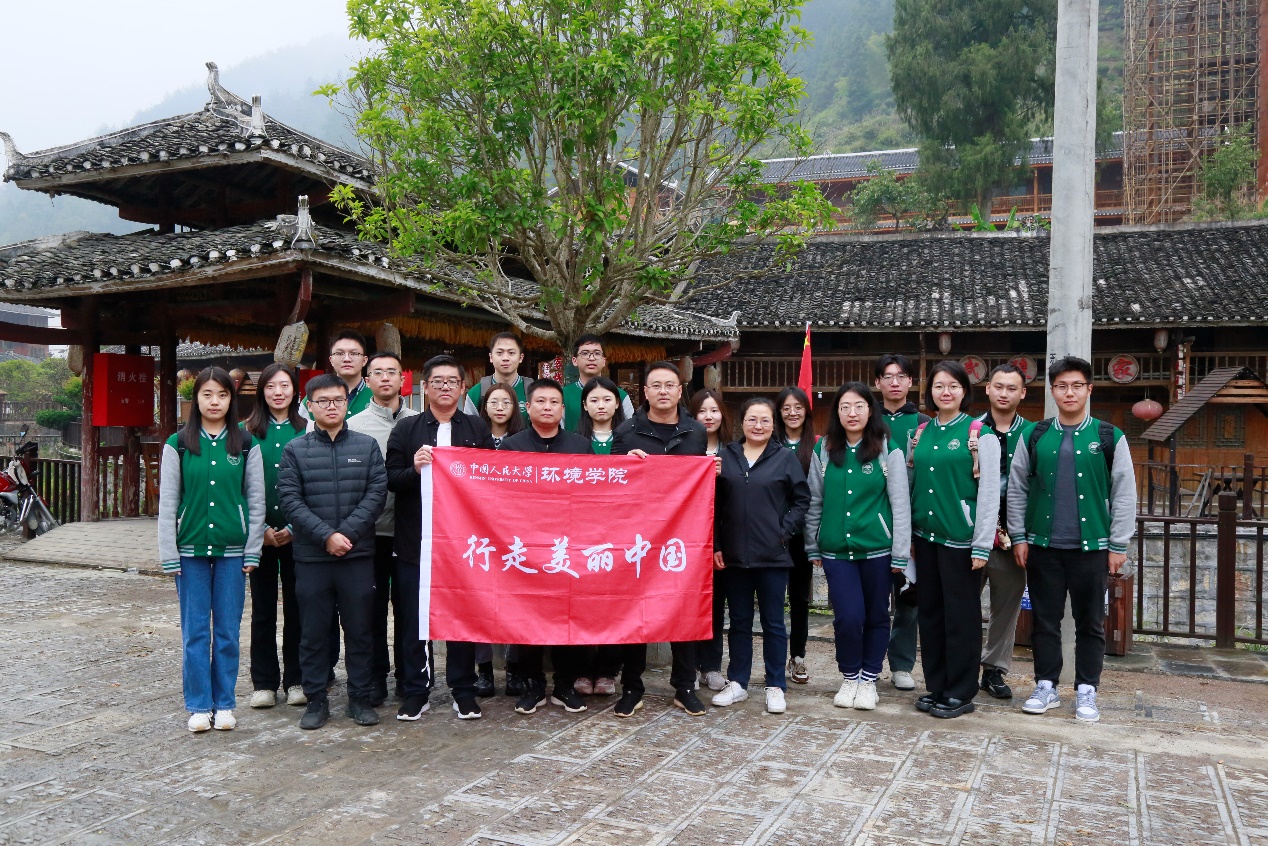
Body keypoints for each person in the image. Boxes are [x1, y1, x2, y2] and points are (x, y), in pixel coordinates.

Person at [1009, 356, 1137, 723]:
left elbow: (1124, 492)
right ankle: (1046, 685)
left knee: (1090, 622)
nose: (1070, 392)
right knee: (1044, 620)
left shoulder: (1108, 436)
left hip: (1092, 548)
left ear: (1089, 389)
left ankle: (1086, 689)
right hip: (1043, 546)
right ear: (1052, 391)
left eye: (1077, 385)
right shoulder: (1035, 435)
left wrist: (1118, 543)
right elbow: (1017, 488)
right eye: (1062, 386)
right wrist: (1018, 536)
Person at [386, 354, 497, 720]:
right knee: (414, 619)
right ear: (425, 387)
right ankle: (416, 690)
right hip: (416, 540)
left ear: (463, 387)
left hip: (463, 543)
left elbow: (490, 479)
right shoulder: (407, 429)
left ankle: (463, 689)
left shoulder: (477, 428)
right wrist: (415, 469)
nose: (445, 387)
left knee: (461, 615)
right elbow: (391, 479)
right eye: (438, 381)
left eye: (452, 381)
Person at [277, 374, 388, 730]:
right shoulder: (296, 449)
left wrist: (346, 534)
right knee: (313, 632)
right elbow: (290, 500)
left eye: (337, 400)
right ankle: (316, 700)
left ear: (346, 404)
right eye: (322, 401)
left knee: (360, 630)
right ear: (309, 406)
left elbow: (376, 494)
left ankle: (360, 698)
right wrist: (326, 536)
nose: (331, 406)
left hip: (357, 555)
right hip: (312, 557)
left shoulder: (367, 446)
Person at [159, 367, 266, 732]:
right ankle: (199, 705)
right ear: (196, 399)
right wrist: (168, 552)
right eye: (207, 394)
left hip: (233, 551)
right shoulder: (178, 443)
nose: (215, 401)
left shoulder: (246, 443)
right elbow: (168, 502)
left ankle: (224, 704)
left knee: (227, 632)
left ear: (231, 399)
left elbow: (255, 501)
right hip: (188, 551)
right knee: (195, 632)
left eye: (222, 394)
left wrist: (253, 549)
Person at [611, 361, 710, 717]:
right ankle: (631, 686)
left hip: (683, 536)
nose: (664, 391)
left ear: (680, 391)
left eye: (670, 385)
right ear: (646, 392)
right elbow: (612, 485)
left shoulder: (696, 432)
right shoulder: (626, 432)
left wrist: (711, 471)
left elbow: (701, 484)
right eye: (656, 385)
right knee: (636, 611)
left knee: (683, 608)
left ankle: (684, 686)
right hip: (638, 536)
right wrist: (624, 463)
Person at [805, 383, 911, 711]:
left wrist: (900, 551)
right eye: (845, 407)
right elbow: (815, 500)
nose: (852, 413)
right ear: (836, 412)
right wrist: (812, 544)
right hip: (836, 552)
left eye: (859, 406)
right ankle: (850, 675)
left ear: (870, 410)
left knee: (877, 616)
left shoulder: (887, 449)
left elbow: (900, 503)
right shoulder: (825, 449)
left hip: (878, 549)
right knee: (848, 618)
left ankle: (869, 679)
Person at [907, 361, 1000, 719]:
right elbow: (912, 484)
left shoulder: (980, 434)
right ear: (930, 391)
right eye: (939, 386)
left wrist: (982, 544)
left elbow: (989, 493)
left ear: (965, 391)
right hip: (925, 538)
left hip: (961, 540)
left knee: (961, 618)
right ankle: (937, 686)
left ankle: (960, 691)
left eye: (953, 386)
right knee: (930, 615)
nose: (945, 392)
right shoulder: (920, 433)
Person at [711, 398, 811, 715]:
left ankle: (775, 685)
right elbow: (714, 504)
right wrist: (717, 545)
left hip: (772, 555)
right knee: (739, 621)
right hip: (734, 555)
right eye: (752, 419)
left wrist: (784, 531)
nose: (758, 426)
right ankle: (738, 682)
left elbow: (802, 500)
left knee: (773, 623)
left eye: (765, 420)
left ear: (773, 424)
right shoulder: (727, 456)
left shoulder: (784, 458)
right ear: (741, 422)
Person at [501, 379, 594, 715]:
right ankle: (533, 684)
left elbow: (594, 493)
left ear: (562, 409)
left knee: (569, 614)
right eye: (540, 401)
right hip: (525, 546)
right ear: (528, 407)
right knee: (528, 616)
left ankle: (565, 685)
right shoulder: (511, 447)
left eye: (554, 402)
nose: (547, 407)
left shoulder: (580, 445)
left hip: (568, 546)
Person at [347, 351, 422, 715]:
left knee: (409, 609)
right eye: (378, 372)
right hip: (370, 532)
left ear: (403, 379)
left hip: (411, 531)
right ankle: (376, 676)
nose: (386, 378)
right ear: (368, 379)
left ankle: (411, 677)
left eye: (392, 372)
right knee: (371, 610)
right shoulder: (355, 425)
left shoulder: (419, 423)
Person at [242, 363, 307, 710]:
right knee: (263, 610)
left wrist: (296, 527)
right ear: (261, 392)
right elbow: (239, 487)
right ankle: (264, 682)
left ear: (295, 391)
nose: (278, 392)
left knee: (298, 609)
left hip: (301, 535)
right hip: (260, 536)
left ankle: (297, 679)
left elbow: (314, 484)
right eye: (270, 386)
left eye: (284, 386)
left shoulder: (307, 429)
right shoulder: (245, 432)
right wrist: (261, 529)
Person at [975, 363, 1034, 700]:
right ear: (988, 388)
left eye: (1012, 388)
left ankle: (994, 670)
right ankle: (964, 665)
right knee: (964, 604)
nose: (1004, 393)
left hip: (1014, 535)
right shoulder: (971, 429)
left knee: (1007, 606)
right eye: (998, 386)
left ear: (1022, 393)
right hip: (972, 533)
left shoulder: (1033, 433)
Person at [874, 353, 928, 693]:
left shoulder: (924, 424)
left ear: (910, 381)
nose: (894, 382)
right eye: (888, 376)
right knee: (874, 600)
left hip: (912, 525)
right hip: (874, 524)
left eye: (901, 376)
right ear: (877, 382)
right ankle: (869, 662)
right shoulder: (866, 420)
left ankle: (902, 664)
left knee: (909, 598)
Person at [573, 376, 628, 696]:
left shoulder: (629, 439)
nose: (601, 405)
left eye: (607, 399)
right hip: (580, 534)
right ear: (584, 405)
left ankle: (609, 669)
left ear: (617, 403)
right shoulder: (573, 441)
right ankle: (582, 668)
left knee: (616, 604)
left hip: (620, 533)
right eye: (594, 400)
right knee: (581, 603)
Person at [689, 388, 731, 693]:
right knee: (689, 603)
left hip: (722, 538)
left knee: (716, 604)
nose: (708, 416)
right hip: (687, 537)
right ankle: (688, 665)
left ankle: (712, 665)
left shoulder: (734, 451)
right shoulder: (684, 446)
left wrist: (722, 475)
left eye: (714, 410)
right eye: (702, 411)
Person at [775, 386, 816, 685]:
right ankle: (775, 657)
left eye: (798, 407)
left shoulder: (818, 445)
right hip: (772, 534)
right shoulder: (769, 442)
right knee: (773, 598)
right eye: (787, 407)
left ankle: (797, 656)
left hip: (802, 534)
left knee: (799, 598)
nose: (792, 413)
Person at [562, 334, 635, 431]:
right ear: (575, 361)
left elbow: (632, 430)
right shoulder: (563, 395)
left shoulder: (621, 395)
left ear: (604, 361)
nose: (591, 358)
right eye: (585, 353)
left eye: (597, 353)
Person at [462, 331, 535, 417]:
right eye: (500, 353)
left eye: (511, 353)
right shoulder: (476, 393)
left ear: (521, 358)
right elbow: (468, 424)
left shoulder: (534, 391)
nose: (505, 358)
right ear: (491, 357)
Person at [479, 383, 525, 449]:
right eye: (494, 402)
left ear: (514, 407)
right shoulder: (476, 436)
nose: (499, 408)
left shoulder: (523, 439)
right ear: (485, 406)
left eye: (506, 403)